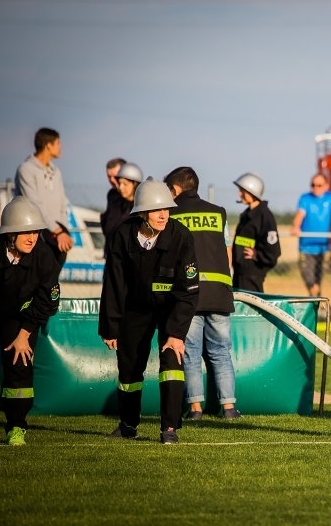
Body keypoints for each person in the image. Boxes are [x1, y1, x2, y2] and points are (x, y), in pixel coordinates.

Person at [99, 177, 199, 444]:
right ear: (142, 212)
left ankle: (169, 428)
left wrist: (176, 333)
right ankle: (128, 425)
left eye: (166, 208)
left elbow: (188, 292)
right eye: (156, 210)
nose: (163, 214)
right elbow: (114, 285)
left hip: (170, 308)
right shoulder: (122, 236)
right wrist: (111, 326)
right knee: (129, 368)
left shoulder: (181, 237)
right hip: (136, 309)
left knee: (171, 361)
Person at [164, 167, 240, 420]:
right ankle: (229, 408)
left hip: (190, 295)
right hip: (219, 293)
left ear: (175, 190)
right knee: (221, 352)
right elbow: (227, 251)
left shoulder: (172, 214)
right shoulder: (219, 213)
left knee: (191, 354)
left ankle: (195, 409)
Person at [0, 196, 61, 445]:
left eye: (35, 231)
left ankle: (16, 426)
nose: (32, 237)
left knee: (19, 363)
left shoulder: (44, 256)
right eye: (25, 232)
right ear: (10, 234)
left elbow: (48, 301)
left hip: (20, 318)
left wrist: (24, 334)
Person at [14, 127, 74, 267]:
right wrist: (57, 231)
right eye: (58, 143)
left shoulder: (56, 172)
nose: (61, 147)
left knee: (52, 282)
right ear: (48, 145)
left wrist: (64, 231)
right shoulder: (26, 169)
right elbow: (35, 205)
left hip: (56, 236)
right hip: (37, 234)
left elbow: (61, 204)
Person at [290, 173, 331, 296]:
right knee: (309, 279)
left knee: (318, 279)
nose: (315, 188)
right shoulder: (305, 198)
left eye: (319, 185)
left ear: (326, 186)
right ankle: (318, 301)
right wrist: (295, 227)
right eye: (313, 185)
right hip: (306, 247)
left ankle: (317, 303)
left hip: (323, 247)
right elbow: (299, 216)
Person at [231, 173, 281, 292]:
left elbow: (273, 250)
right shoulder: (248, 215)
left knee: (251, 310)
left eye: (242, 190)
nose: (239, 193)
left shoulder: (264, 216)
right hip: (240, 273)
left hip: (252, 275)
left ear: (252, 192)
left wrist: (257, 255)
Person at [101, 162, 143, 242]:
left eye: (125, 184)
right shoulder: (114, 199)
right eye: (120, 183)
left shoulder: (141, 206)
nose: (120, 187)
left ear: (135, 184)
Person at [100, 157, 127, 239]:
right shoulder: (111, 194)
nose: (111, 180)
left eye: (115, 177)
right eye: (109, 176)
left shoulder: (138, 195)